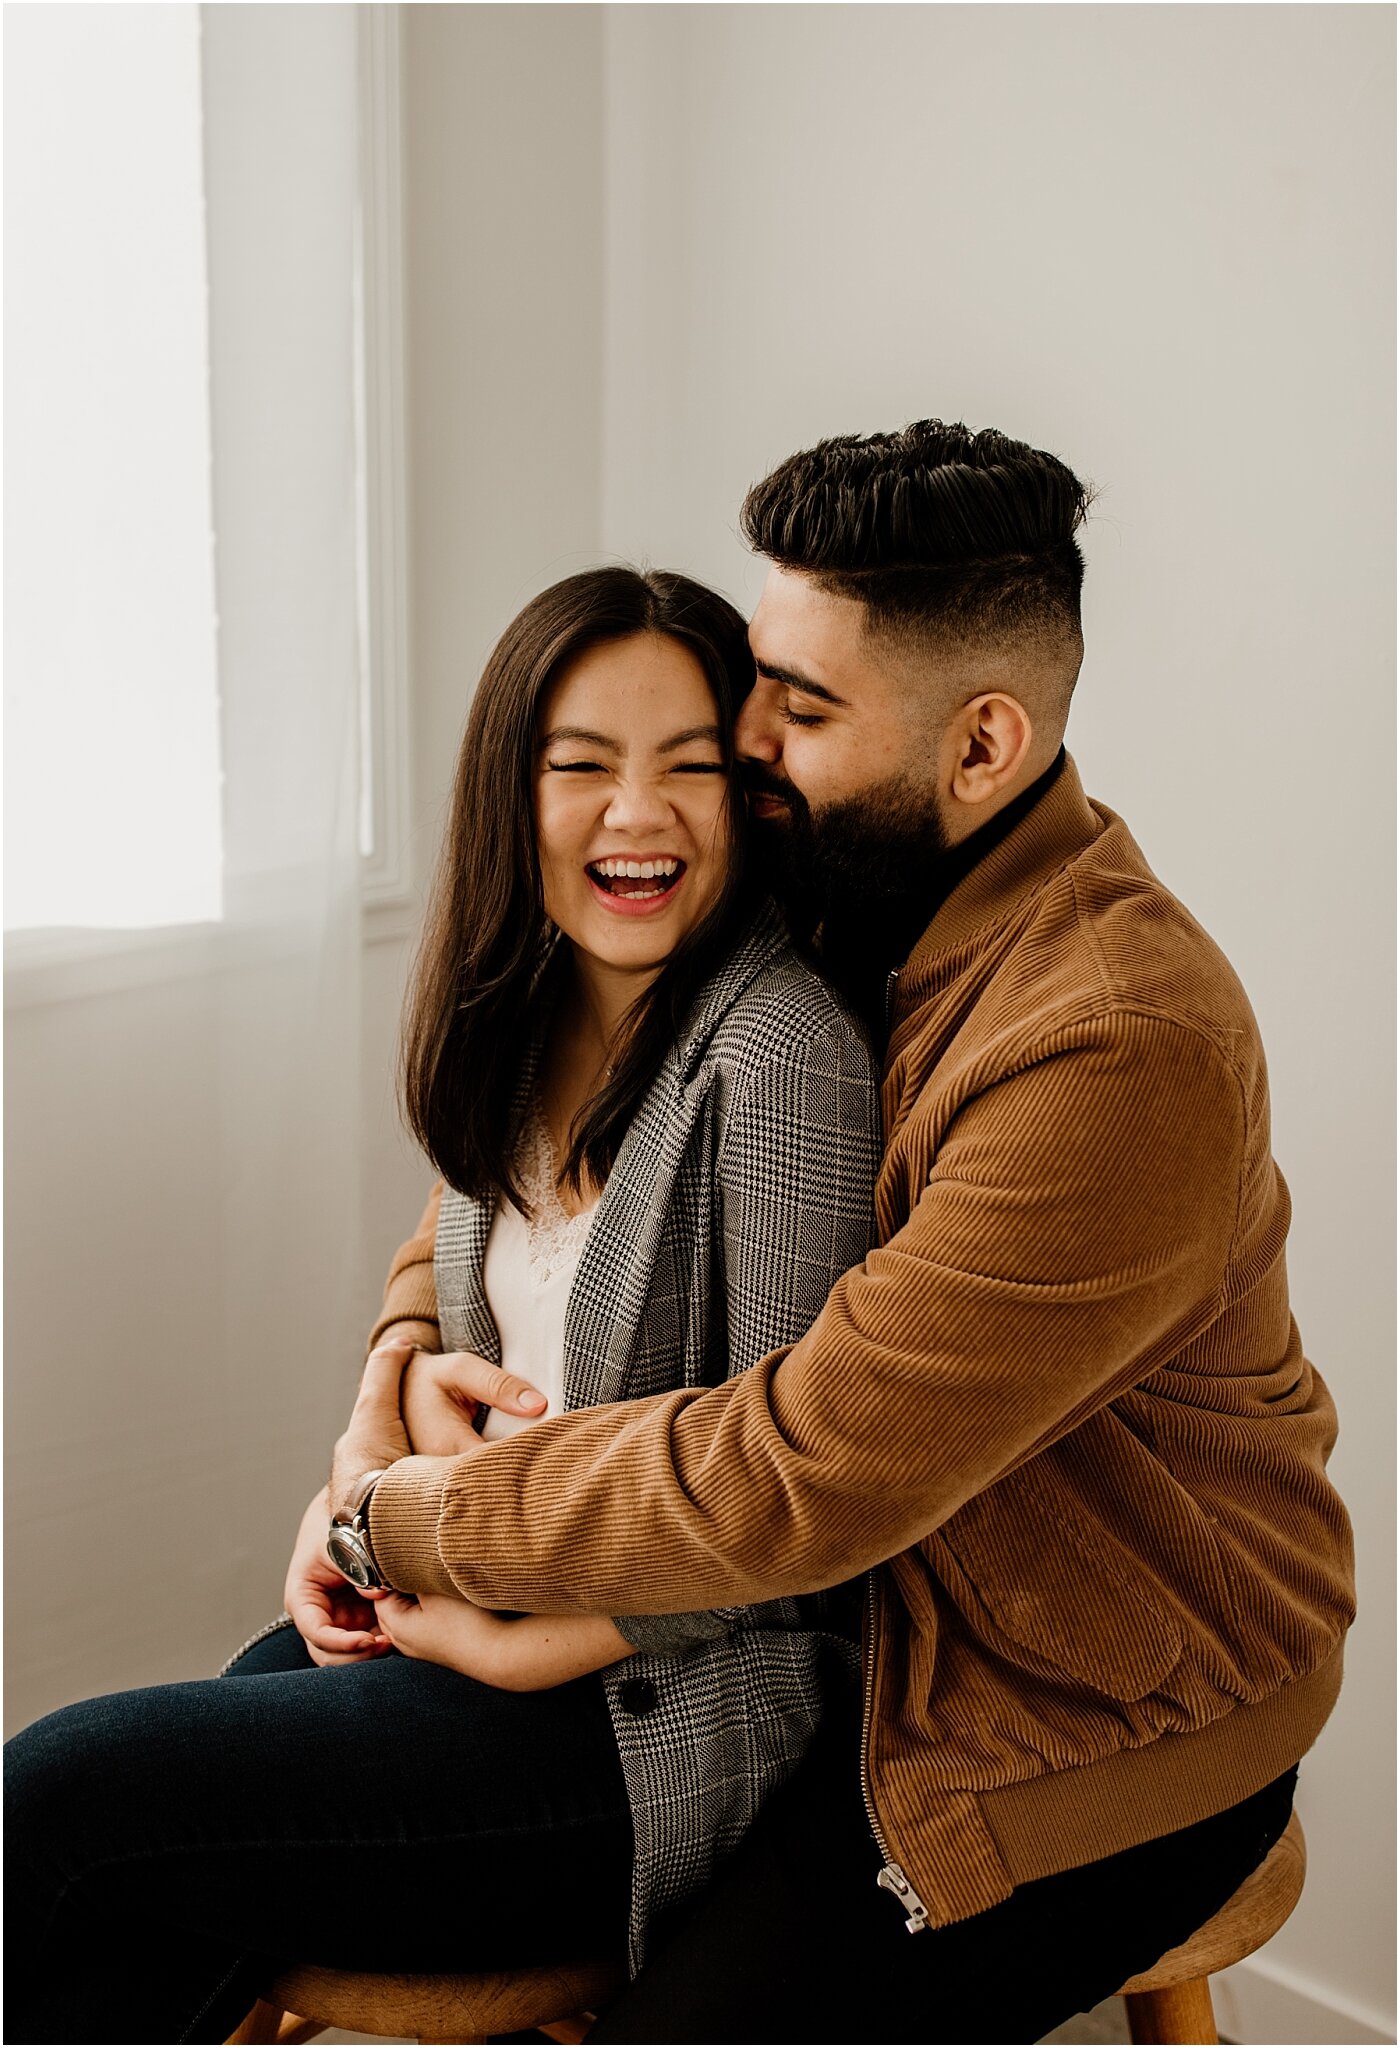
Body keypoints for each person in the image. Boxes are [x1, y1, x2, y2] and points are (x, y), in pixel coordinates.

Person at [335, 422, 1357, 2043]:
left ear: (981, 745)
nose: (738, 744)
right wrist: (401, 1348)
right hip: (844, 1614)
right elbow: (558, 1135)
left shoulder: (1115, 1040)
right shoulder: (835, 881)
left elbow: (799, 1473)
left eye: (799, 709)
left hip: (1089, 1719)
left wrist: (398, 1523)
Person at [3, 567, 881, 2045]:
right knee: (107, 1915)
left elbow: (805, 1523)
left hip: (627, 1729)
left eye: (689, 769)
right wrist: (354, 1492)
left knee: (56, 1799)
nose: (638, 817)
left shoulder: (777, 1054)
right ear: (510, 794)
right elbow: (463, 1329)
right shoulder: (523, 1020)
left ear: (747, 797)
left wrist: (527, 1638)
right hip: (451, 1623)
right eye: (583, 768)